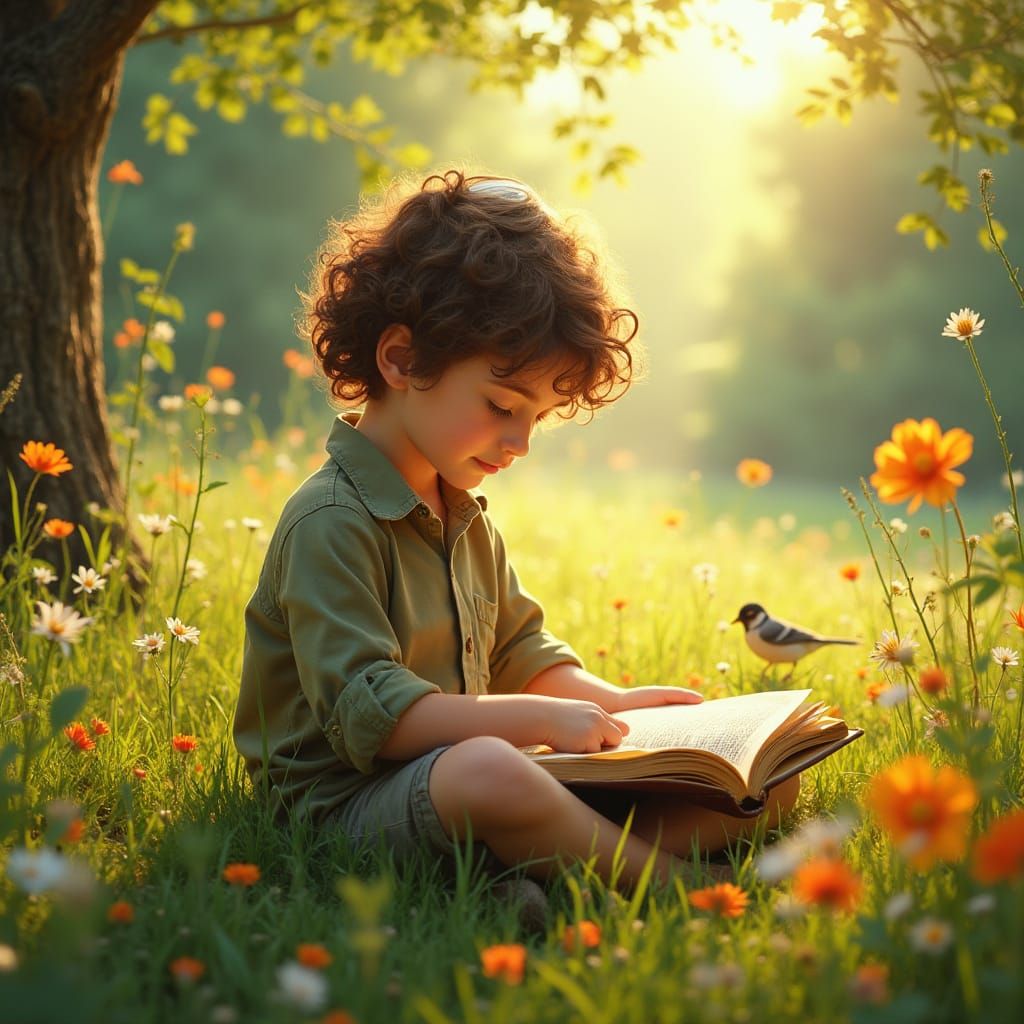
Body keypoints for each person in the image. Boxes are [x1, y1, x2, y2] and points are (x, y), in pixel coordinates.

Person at [233, 170, 799, 895]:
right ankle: (674, 888)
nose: (521, 441)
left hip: (458, 788)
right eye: (503, 405)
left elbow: (518, 650)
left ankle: (528, 876)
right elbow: (374, 718)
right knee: (490, 769)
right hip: (342, 811)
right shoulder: (332, 522)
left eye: (538, 417)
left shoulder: (462, 514)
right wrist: (540, 719)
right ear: (402, 359)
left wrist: (614, 706)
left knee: (762, 782)